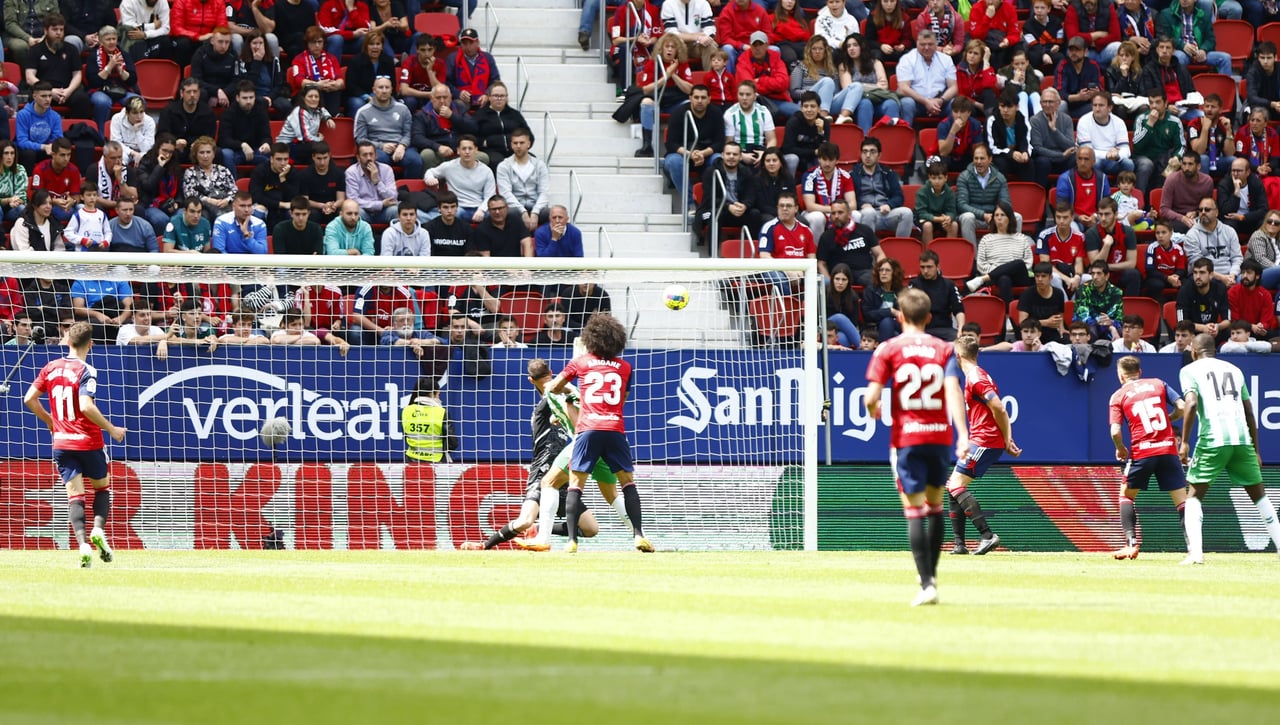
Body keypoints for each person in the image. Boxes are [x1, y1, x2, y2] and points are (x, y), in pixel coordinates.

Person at [864, 287, 968, 606]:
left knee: (913, 510)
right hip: (939, 438)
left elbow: (871, 397)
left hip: (907, 438)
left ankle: (927, 584)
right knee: (936, 506)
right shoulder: (945, 348)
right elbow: (953, 391)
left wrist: (874, 409)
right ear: (929, 317)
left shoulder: (888, 348)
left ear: (898, 316)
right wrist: (963, 434)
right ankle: (932, 576)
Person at [497, 358, 633, 552]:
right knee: (612, 495)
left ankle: (544, 538)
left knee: (549, 483)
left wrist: (568, 416)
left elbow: (574, 415)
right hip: (610, 436)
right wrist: (558, 416)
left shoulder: (554, 392)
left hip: (583, 441)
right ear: (550, 371)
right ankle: (639, 535)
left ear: (530, 380)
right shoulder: (583, 390)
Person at [23, 321, 127, 568]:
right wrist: (112, 429)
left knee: (75, 496)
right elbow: (86, 406)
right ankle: (99, 530)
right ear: (90, 344)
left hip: (61, 442)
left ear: (67, 341)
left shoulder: (51, 367)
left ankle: (82, 546)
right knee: (101, 489)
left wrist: (51, 422)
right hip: (88, 441)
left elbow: (29, 398)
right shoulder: (87, 370)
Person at [547, 314, 653, 553]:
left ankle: (572, 541)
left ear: (590, 339)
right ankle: (638, 535)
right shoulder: (626, 367)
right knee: (627, 484)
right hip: (614, 428)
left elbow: (553, 386)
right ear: (617, 340)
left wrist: (570, 392)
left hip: (588, 429)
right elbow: (623, 399)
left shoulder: (581, 362)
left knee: (575, 485)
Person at [1178, 334, 1280, 565]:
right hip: (1242, 439)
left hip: (1213, 439)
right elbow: (1249, 411)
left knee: (1193, 496)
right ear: (1214, 349)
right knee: (1260, 497)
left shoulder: (1190, 370)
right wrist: (1256, 448)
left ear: (1194, 351)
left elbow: (1192, 403)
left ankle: (1196, 554)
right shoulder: (1234, 369)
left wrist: (1184, 442)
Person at [1107, 355, 1191, 559]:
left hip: (1142, 451)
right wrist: (1168, 421)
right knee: (1182, 502)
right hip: (1168, 449)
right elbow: (1181, 407)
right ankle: (1193, 548)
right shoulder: (1158, 383)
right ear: (1140, 372)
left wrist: (1120, 448)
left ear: (1121, 375)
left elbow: (1115, 431)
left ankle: (1131, 544)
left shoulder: (1118, 395)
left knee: (1126, 495)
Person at [946, 336, 1017, 555]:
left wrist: (1007, 439)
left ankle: (987, 535)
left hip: (984, 439)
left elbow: (1000, 408)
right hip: (982, 438)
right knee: (952, 487)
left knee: (955, 485)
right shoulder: (975, 375)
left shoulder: (976, 377)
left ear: (958, 355)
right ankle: (960, 545)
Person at [966, 200, 1034, 303]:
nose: (999, 218)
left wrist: (1007, 269)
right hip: (997, 278)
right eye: (996, 215)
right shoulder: (986, 239)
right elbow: (981, 264)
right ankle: (1008, 314)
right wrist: (1000, 270)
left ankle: (981, 279)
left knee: (1019, 263)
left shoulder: (1021, 238)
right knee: (1004, 278)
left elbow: (1028, 262)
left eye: (1002, 215)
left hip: (1019, 277)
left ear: (1009, 218)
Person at [354, 76, 420, 179]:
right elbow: (360, 139)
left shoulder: (403, 109)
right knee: (379, 159)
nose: (384, 91)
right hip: (377, 148)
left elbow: (408, 133)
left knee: (415, 161)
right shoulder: (363, 112)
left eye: (387, 87)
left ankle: (408, 192)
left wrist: (402, 146)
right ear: (374, 90)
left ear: (391, 90)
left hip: (401, 146)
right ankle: (380, 192)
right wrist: (381, 146)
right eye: (380, 87)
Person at [956, 143, 1017, 246]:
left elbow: (1005, 203)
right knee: (967, 217)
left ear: (990, 159)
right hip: (975, 218)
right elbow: (961, 205)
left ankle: (1011, 254)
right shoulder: (964, 177)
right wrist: (983, 215)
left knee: (1017, 217)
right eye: (976, 158)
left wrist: (995, 216)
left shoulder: (999, 178)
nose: (978, 162)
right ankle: (973, 260)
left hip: (993, 217)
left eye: (982, 158)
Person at [424, 136, 495, 224]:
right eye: (464, 149)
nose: (467, 152)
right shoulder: (449, 166)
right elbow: (430, 171)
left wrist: (482, 210)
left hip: (479, 207)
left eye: (470, 148)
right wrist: (430, 178)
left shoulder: (486, 171)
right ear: (458, 151)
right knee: (452, 214)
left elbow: (490, 196)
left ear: (476, 150)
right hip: (458, 208)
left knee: (496, 214)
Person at [757, 191, 816, 295]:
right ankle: (789, 310)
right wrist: (787, 270)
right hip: (775, 270)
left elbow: (812, 258)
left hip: (800, 271)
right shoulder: (769, 227)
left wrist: (803, 271)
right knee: (781, 279)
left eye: (788, 206)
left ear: (796, 209)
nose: (784, 208)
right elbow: (764, 257)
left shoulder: (806, 230)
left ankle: (810, 309)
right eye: (781, 206)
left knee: (824, 282)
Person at [851, 137, 911, 237]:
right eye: (865, 152)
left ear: (879, 155)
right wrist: (861, 204)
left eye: (872, 152)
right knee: (869, 213)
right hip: (865, 214)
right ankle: (868, 250)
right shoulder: (853, 174)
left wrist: (889, 205)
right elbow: (849, 198)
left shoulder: (888, 173)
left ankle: (900, 249)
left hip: (886, 213)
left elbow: (898, 196)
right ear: (861, 154)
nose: (868, 155)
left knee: (907, 213)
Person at [895, 30, 957, 126]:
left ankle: (954, 138)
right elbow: (903, 88)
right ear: (917, 44)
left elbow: (953, 87)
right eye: (923, 44)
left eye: (930, 44)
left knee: (956, 103)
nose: (926, 48)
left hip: (940, 103)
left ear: (936, 44)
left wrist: (941, 100)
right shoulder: (907, 59)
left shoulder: (946, 59)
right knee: (907, 103)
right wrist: (926, 102)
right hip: (916, 103)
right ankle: (905, 137)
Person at [1157, 0, 1231, 77]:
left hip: (1199, 51)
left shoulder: (1204, 14)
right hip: (1180, 50)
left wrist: (1203, 50)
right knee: (1179, 57)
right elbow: (1166, 37)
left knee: (1225, 58)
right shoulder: (1167, 14)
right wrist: (1183, 46)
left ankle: (1224, 88)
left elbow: (1210, 39)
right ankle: (1181, 87)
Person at [497, 127, 551, 232]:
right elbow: (506, 193)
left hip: (535, 206)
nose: (518, 146)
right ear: (511, 145)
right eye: (515, 143)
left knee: (551, 213)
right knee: (510, 213)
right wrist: (523, 211)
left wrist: (535, 212)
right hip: (515, 207)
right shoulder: (504, 166)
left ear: (528, 144)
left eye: (522, 143)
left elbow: (544, 192)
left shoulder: (539, 165)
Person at [817, 199, 882, 285]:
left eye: (840, 212)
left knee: (874, 281)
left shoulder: (864, 230)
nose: (836, 216)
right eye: (833, 213)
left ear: (849, 214)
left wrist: (878, 272)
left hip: (863, 272)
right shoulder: (826, 236)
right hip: (839, 276)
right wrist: (829, 282)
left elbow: (880, 254)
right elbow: (821, 264)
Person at [1084, 197, 1141, 297]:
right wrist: (1106, 246)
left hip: (1120, 273)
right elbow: (1096, 266)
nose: (1103, 218)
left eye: (1107, 214)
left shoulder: (1128, 232)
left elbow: (1131, 263)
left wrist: (1108, 267)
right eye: (1100, 214)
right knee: (1097, 276)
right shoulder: (1091, 233)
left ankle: (1129, 310)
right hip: (1101, 275)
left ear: (1115, 214)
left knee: (1134, 274)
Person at [1132, 90, 1185, 196]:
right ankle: (1139, 201)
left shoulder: (1175, 122)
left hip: (1164, 158)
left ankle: (1161, 201)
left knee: (1170, 164)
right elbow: (1137, 146)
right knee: (1146, 164)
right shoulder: (1141, 119)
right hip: (1143, 156)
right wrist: (1149, 124)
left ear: (1166, 104)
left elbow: (1181, 146)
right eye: (1151, 103)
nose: (1154, 106)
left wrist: (1177, 157)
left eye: (1157, 102)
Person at [1184, 198, 1243, 286]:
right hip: (1205, 275)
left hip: (1230, 275)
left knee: (1246, 281)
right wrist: (1222, 278)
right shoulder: (1192, 235)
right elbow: (1197, 264)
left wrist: (1232, 275)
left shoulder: (1229, 231)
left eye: (1207, 209)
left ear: (1216, 212)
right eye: (1200, 210)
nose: (1203, 212)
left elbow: (1237, 258)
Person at [909, 249, 966, 341]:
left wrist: (961, 329)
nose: (925, 271)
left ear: (937, 266)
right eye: (922, 267)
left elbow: (959, 310)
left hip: (945, 329)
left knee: (960, 342)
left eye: (929, 267)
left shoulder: (949, 284)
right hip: (922, 330)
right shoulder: (914, 284)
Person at [157, 78, 217, 164]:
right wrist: (174, 142)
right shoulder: (169, 111)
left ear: (199, 93)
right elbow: (162, 134)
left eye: (195, 91)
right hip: (175, 149)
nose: (192, 95)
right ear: (182, 93)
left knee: (217, 153)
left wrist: (200, 144)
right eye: (188, 92)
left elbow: (210, 136)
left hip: (200, 150)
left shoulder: (208, 112)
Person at [401, 376, 459, 463]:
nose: (439, 399)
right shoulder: (441, 412)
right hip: (437, 460)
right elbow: (452, 443)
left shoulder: (406, 410)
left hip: (411, 460)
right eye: (438, 395)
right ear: (432, 394)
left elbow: (406, 436)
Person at [218, 81, 273, 171]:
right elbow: (224, 140)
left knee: (271, 155)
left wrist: (266, 143)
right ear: (237, 98)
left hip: (255, 150)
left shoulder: (260, 111)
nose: (248, 101)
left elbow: (266, 136)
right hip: (235, 151)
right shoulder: (229, 113)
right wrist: (241, 145)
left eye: (251, 98)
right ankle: (231, 184)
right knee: (226, 154)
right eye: (245, 98)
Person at [1029, 87, 1077, 187]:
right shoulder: (1034, 120)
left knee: (1076, 158)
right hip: (1047, 158)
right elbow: (1037, 148)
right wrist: (1061, 155)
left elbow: (1070, 145)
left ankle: (1071, 191)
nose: (1047, 105)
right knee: (1042, 161)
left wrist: (1054, 130)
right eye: (1044, 102)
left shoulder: (1066, 119)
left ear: (1058, 103)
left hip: (1064, 158)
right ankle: (1041, 193)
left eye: (1050, 102)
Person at [1176, 257, 1230, 345]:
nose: (1197, 277)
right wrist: (1202, 328)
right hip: (1193, 332)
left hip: (1213, 332)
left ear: (1211, 275)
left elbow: (1228, 320)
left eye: (1202, 273)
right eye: (1195, 272)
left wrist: (1217, 326)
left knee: (1230, 331)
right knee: (1182, 332)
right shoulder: (1185, 289)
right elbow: (1181, 323)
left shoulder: (1220, 289)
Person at [1055, 145, 1111, 229]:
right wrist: (1078, 217)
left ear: (1094, 161)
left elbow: (1107, 203)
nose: (1082, 163)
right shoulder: (1065, 178)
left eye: (1086, 159)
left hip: (1097, 218)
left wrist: (1096, 216)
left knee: (1112, 223)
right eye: (1079, 159)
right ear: (1076, 160)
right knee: (1071, 227)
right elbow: (1062, 207)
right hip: (1073, 219)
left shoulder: (1102, 178)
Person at [1037, 201, 1087, 295]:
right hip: (1054, 273)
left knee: (1089, 279)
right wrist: (1066, 279)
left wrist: (1077, 277)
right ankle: (1064, 305)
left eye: (1065, 217)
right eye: (1058, 217)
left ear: (1072, 218)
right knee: (1054, 278)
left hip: (1072, 272)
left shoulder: (1080, 237)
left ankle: (1074, 303)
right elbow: (1046, 265)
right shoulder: (1044, 236)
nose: (1061, 221)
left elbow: (1078, 262)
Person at [183, 136, 236, 223]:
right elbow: (189, 195)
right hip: (203, 208)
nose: (205, 156)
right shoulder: (190, 172)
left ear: (214, 154)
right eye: (201, 152)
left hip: (225, 205)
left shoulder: (223, 170)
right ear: (196, 155)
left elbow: (234, 190)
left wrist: (227, 200)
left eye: (208, 152)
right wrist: (210, 200)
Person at [345, 141, 399, 226]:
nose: (369, 158)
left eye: (371, 154)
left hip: (384, 212)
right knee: (356, 212)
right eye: (365, 155)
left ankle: (394, 238)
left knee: (395, 210)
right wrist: (380, 204)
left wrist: (377, 182)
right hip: (364, 212)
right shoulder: (351, 172)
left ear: (376, 156)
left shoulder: (386, 169)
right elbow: (353, 200)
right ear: (358, 158)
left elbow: (393, 198)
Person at [1160, 151, 1214, 233]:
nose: (1186, 168)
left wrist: (1196, 213)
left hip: (1198, 217)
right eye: (1184, 164)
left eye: (1190, 164)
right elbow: (1164, 209)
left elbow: (1208, 207)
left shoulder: (1207, 181)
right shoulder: (1172, 179)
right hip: (1176, 219)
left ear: (1198, 166)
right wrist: (1182, 218)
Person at [29, 138, 81, 223]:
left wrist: (72, 201)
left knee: (82, 209)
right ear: (53, 154)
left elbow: (76, 198)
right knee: (61, 213)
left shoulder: (74, 170)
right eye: (62, 155)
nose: (66, 159)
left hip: (66, 207)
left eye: (69, 155)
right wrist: (53, 201)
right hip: (45, 206)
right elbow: (36, 197)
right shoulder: (40, 169)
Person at [1228, 259, 1279, 343]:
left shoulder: (1265, 294)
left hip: (1258, 332)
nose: (1244, 276)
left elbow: (1267, 320)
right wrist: (1251, 326)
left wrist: (1262, 326)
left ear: (1257, 276)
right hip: (1238, 330)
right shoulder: (1233, 292)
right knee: (1228, 331)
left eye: (1249, 273)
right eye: (1243, 272)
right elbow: (1234, 319)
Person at [1018, 262, 1069, 345]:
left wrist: (1062, 328)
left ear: (1051, 277)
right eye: (1037, 276)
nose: (1040, 279)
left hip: (1052, 331)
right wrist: (1046, 322)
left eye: (1043, 276)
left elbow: (1060, 315)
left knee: (1068, 341)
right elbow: (1022, 322)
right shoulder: (1027, 294)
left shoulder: (1058, 293)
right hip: (1033, 332)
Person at [1217, 159, 1267, 241]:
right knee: (1228, 226)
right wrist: (1236, 193)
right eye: (1233, 171)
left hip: (1250, 218)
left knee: (1264, 224)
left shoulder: (1255, 183)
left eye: (1239, 171)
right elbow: (1224, 211)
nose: (1235, 174)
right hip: (1232, 220)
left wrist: (1243, 217)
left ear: (1248, 172)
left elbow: (1263, 209)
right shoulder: (1224, 184)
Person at [1075, 258, 1124, 341]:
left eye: (1099, 274)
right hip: (1087, 326)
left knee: (1122, 332)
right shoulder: (1083, 289)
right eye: (1093, 273)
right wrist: (1103, 322)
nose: (1095, 277)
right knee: (1091, 331)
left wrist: (1111, 324)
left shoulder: (1116, 292)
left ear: (1107, 276)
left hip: (1108, 326)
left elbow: (1119, 319)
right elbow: (1082, 317)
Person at [1142, 218, 1188, 299]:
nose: (1160, 236)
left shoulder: (1178, 249)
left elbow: (1181, 269)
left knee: (1187, 283)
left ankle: (1181, 307)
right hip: (1158, 278)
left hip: (1173, 277)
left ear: (1171, 233)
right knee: (1156, 284)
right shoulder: (1152, 248)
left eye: (1163, 232)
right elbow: (1150, 270)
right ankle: (1157, 308)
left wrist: (1176, 277)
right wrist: (1167, 278)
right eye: (1157, 233)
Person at [862, 257, 905, 341]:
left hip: (897, 324)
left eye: (887, 270)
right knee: (888, 323)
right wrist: (890, 311)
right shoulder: (871, 290)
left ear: (895, 273)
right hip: (875, 327)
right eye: (881, 270)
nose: (883, 273)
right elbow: (867, 314)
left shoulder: (901, 291)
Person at [63, 181, 110, 251]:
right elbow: (67, 232)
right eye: (89, 195)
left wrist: (106, 241)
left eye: (94, 195)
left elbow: (108, 232)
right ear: (82, 197)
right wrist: (82, 240)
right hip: (83, 252)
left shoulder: (102, 215)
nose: (92, 197)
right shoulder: (78, 215)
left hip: (99, 252)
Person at [424, 191, 471, 257]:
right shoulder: (430, 227)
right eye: (445, 207)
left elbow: (468, 254)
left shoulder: (466, 228)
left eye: (453, 207)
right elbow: (430, 254)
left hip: (459, 266)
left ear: (457, 208)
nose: (449, 211)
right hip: (437, 265)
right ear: (439, 209)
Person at [1245, 41, 1280, 124]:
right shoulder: (1253, 72)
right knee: (1259, 114)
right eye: (1262, 57)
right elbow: (1252, 97)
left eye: (1269, 58)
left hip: (1278, 105)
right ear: (1258, 58)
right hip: (1260, 106)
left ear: (1275, 57)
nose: (1265, 61)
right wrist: (1271, 104)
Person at [1245, 210, 1280, 291]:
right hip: (1256, 274)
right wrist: (1277, 269)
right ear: (1265, 222)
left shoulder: (1278, 240)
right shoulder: (1258, 235)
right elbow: (1260, 259)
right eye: (1269, 221)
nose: (1272, 224)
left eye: (1277, 223)